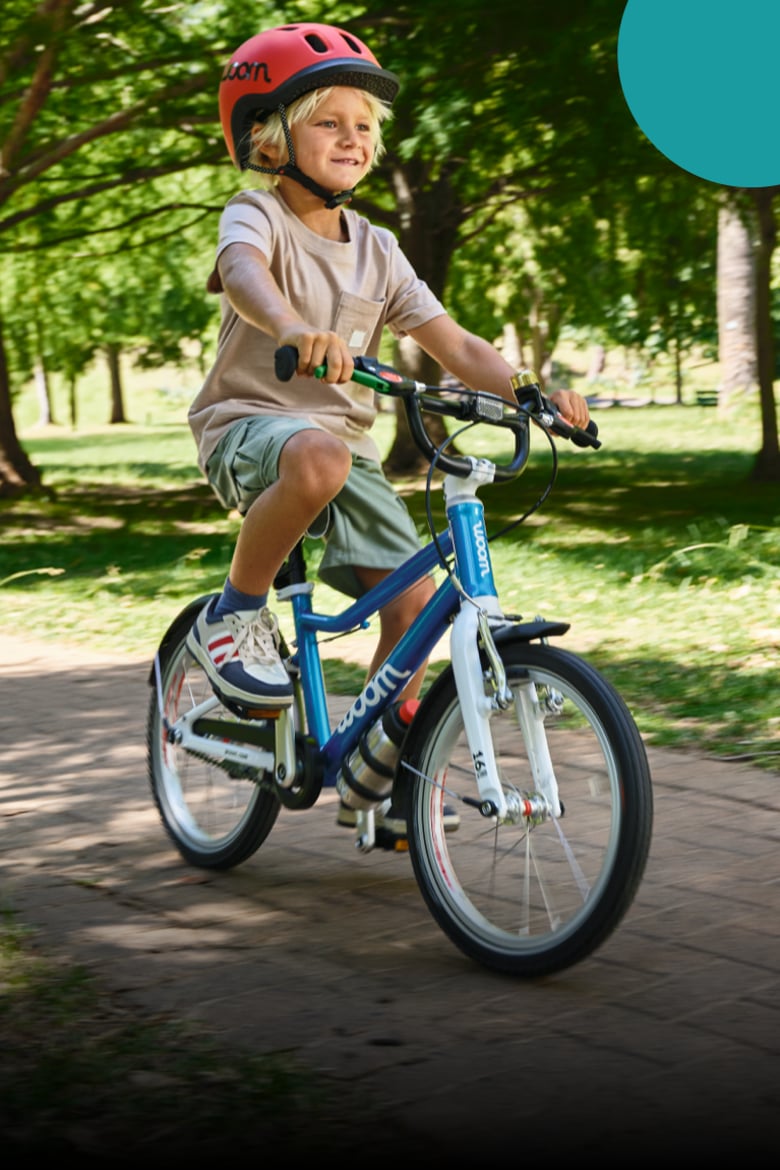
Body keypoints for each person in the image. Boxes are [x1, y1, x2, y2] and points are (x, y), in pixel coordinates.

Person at [186, 21, 591, 837]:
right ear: (269, 139)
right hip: (250, 426)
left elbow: (456, 345)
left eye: (365, 126)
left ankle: (372, 766)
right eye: (330, 121)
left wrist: (530, 390)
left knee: (413, 603)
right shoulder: (254, 216)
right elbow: (242, 277)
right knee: (319, 455)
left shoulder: (379, 248)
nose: (354, 138)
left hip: (342, 454)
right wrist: (295, 329)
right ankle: (232, 616)